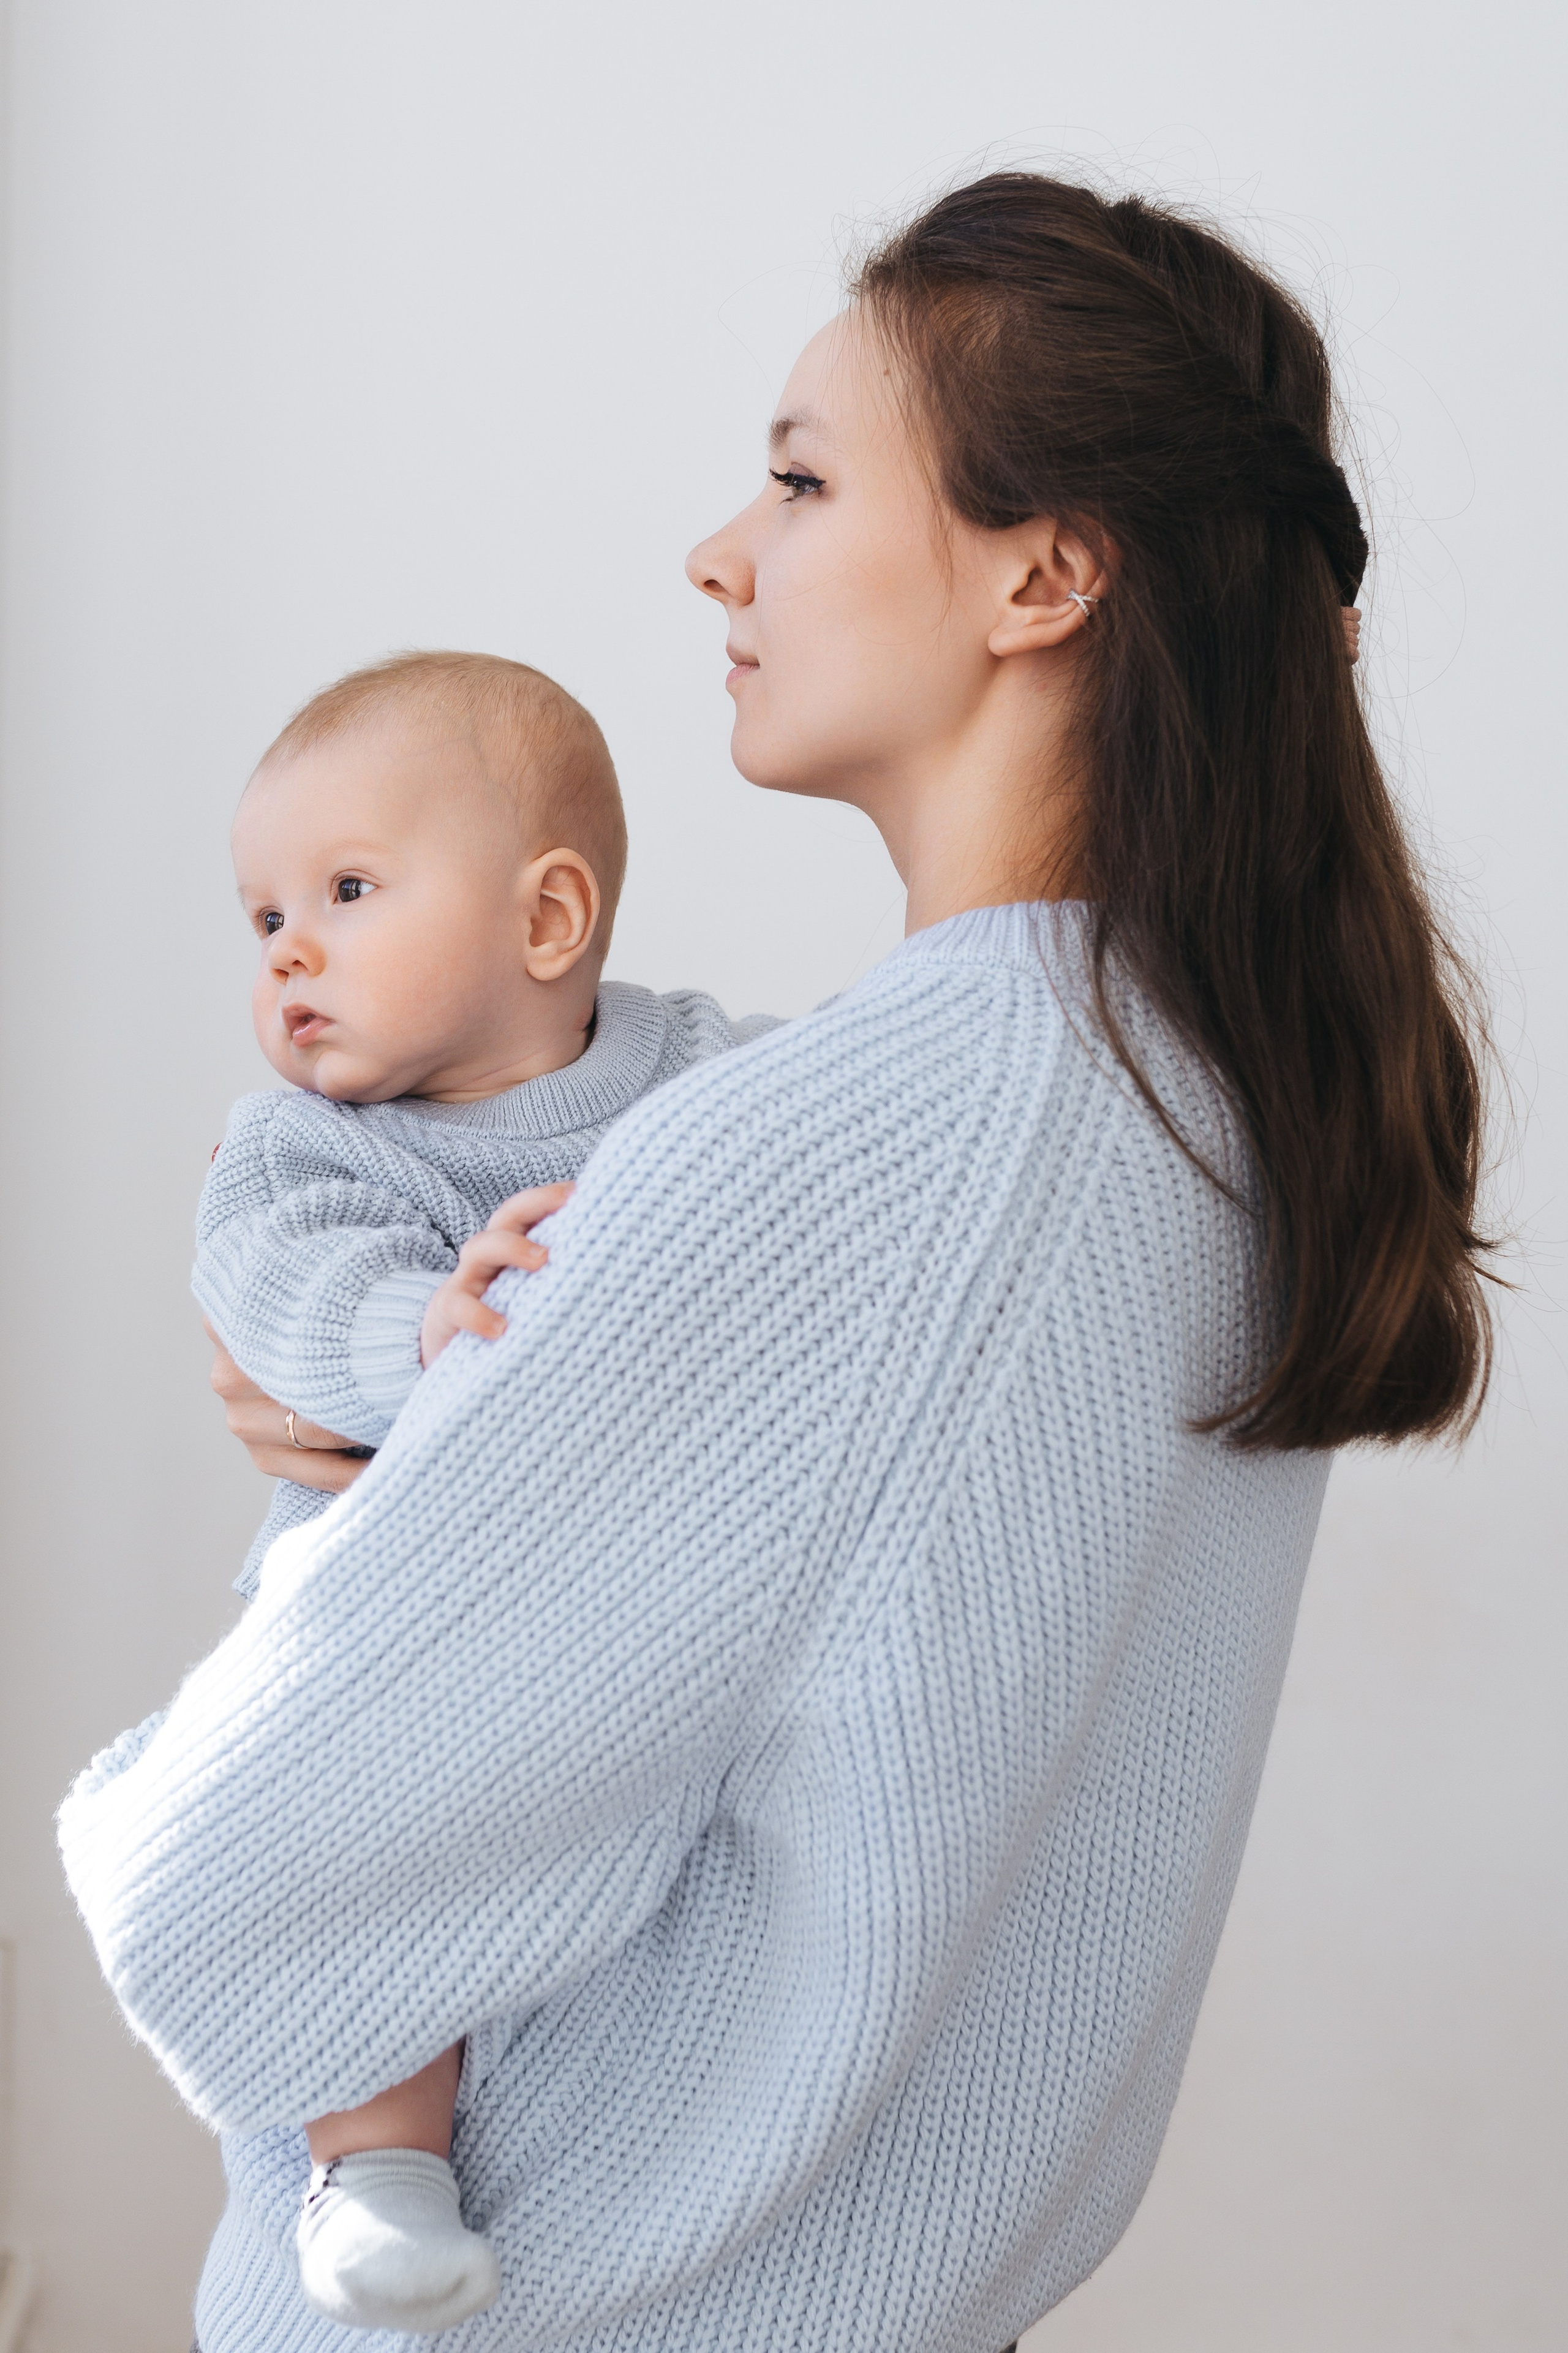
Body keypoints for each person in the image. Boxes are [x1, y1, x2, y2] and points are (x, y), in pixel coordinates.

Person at [60, 175, 1491, 2353]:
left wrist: (278, 1622)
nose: (724, 548)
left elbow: (228, 1878)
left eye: (806, 476)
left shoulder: (849, 1152)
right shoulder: (1221, 1114)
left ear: (1045, 572)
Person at [192, 647, 776, 2330]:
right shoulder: (310, 1144)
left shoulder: (698, 1073)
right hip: (387, 1619)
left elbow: (826, 1138)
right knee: (351, 1849)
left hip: (627, 1613)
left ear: (547, 920)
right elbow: (274, 1288)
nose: (289, 947)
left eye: (346, 889)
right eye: (263, 917)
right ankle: (375, 2165)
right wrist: (425, 1332)